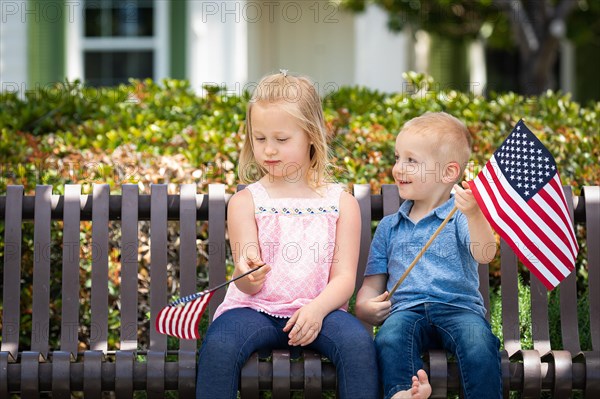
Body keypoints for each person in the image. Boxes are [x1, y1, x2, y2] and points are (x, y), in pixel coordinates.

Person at [196, 71, 379, 398]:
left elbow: (343, 279)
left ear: (312, 135)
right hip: (254, 311)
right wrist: (244, 273)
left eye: (281, 140)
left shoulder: (341, 203)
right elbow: (247, 283)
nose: (268, 150)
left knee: (357, 345)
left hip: (319, 311)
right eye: (259, 138)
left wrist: (317, 310)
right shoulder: (246, 202)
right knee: (220, 345)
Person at [355, 112, 502, 399]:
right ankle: (405, 394)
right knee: (390, 338)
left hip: (459, 309)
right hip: (406, 310)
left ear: (448, 173)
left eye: (412, 161)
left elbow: (485, 254)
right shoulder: (389, 227)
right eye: (398, 158)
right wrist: (364, 307)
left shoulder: (459, 216)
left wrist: (474, 213)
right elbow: (372, 284)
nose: (399, 168)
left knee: (479, 343)